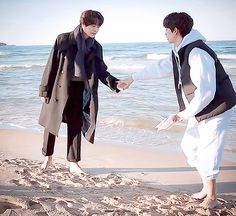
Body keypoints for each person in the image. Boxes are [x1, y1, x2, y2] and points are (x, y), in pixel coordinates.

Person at [117, 12, 236, 209]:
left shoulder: (198, 52)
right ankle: (207, 187)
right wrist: (132, 78)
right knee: (190, 146)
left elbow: (207, 92)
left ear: (175, 30)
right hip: (199, 108)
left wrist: (181, 115)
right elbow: (161, 67)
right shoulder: (180, 49)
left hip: (217, 108)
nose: (164, 34)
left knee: (209, 150)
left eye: (166, 30)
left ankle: (212, 196)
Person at [39, 10, 120, 175]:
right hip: (59, 87)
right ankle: (47, 158)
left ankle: (73, 162)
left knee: (76, 124)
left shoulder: (96, 47)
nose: (95, 29)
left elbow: (101, 71)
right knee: (51, 123)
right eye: (92, 25)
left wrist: (115, 83)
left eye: (98, 26)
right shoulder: (64, 39)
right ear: (83, 24)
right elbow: (52, 64)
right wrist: (44, 89)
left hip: (80, 90)